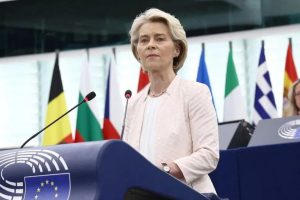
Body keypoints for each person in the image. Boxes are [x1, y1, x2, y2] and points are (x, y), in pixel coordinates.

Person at [123, 8, 219, 195]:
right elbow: (128, 161)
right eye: (144, 40)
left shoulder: (195, 93)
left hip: (187, 194)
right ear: (138, 51)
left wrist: (165, 170)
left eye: (159, 39)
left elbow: (209, 155)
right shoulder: (133, 103)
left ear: (177, 49)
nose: (151, 45)